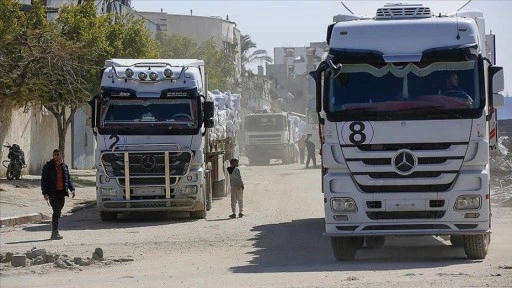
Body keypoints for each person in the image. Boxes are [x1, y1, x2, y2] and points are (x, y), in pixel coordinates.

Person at [41, 149, 75, 240]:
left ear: (60, 155)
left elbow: (68, 179)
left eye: (58, 155)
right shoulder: (48, 166)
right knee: (56, 211)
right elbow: (43, 180)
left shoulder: (64, 166)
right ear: (53, 156)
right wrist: (45, 193)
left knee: (59, 211)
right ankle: (54, 232)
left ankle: (55, 230)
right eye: (55, 155)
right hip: (52, 192)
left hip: (62, 192)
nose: (56, 156)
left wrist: (72, 189)